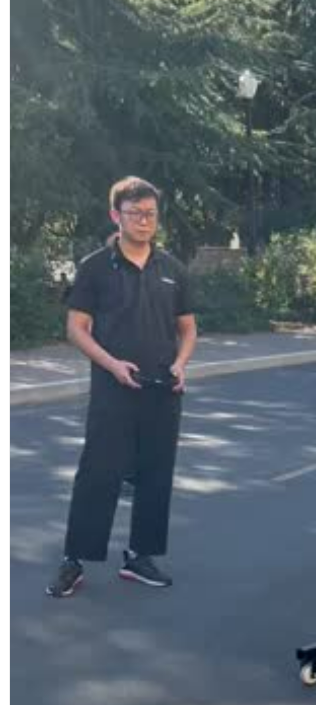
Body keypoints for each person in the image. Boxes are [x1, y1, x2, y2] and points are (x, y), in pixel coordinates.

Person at [46, 177, 197, 598]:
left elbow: (187, 329)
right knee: (99, 473)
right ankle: (74, 559)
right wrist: (112, 365)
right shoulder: (95, 266)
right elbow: (76, 328)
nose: (144, 221)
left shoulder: (172, 269)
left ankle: (140, 556)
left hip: (162, 389)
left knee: (156, 475)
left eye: (150, 213)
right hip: (113, 388)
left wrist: (181, 364)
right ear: (116, 215)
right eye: (135, 213)